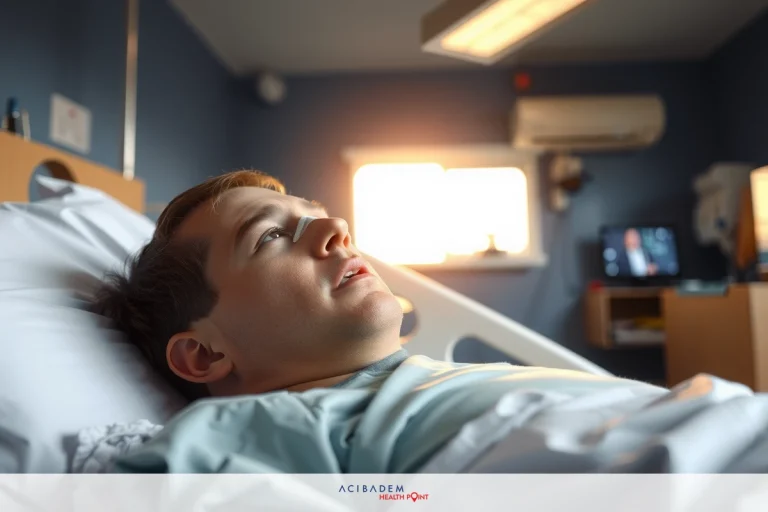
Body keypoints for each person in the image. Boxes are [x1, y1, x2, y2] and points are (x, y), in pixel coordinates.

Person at [94, 170, 758, 474]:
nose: (334, 227)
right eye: (270, 238)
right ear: (204, 356)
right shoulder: (268, 423)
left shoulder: (421, 379)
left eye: (314, 212)